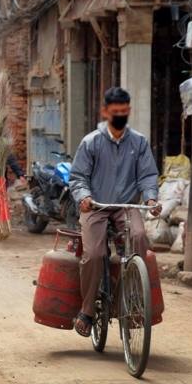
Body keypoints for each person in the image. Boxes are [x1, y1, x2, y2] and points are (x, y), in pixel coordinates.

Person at [69, 87, 161, 337]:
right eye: (115, 112)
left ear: (128, 111)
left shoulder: (139, 142)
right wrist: (84, 197)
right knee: (94, 253)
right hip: (96, 206)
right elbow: (78, 177)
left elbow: (148, 175)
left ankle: (132, 298)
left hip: (126, 206)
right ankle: (87, 311)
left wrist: (151, 198)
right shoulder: (91, 142)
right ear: (105, 112)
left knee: (140, 236)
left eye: (124, 111)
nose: (120, 115)